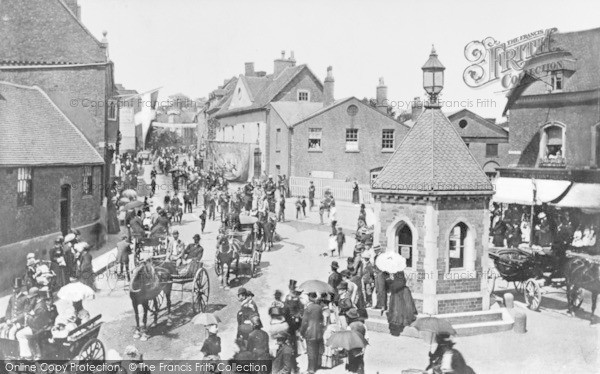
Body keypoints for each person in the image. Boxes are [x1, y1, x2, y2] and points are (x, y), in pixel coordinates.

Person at [16, 288, 57, 359]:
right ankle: (28, 352)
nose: (30, 300)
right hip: (39, 327)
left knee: (19, 334)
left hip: (38, 329)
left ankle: (27, 355)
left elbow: (36, 323)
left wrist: (29, 316)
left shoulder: (40, 307)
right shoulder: (39, 304)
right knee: (21, 331)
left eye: (32, 298)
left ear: (36, 297)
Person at [300, 292, 324, 374]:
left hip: (310, 332)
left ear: (309, 298)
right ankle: (316, 366)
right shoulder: (319, 307)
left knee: (310, 351)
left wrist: (302, 332)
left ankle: (311, 369)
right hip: (319, 331)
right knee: (316, 349)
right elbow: (321, 319)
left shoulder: (307, 308)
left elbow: (304, 323)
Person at [387, 271, 417, 336]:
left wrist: (393, 283)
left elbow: (401, 282)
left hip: (400, 292)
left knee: (400, 307)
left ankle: (399, 322)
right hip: (396, 293)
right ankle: (396, 323)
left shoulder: (399, 271)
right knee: (396, 308)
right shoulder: (394, 271)